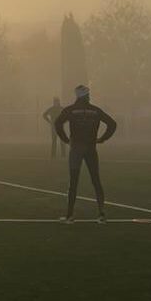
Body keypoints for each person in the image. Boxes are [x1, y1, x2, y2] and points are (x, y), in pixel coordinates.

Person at [53, 84, 117, 224]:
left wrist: (65, 139)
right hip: (91, 149)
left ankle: (69, 216)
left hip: (76, 149)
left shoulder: (70, 110)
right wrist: (103, 138)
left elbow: (57, 124)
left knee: (73, 182)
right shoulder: (95, 110)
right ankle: (101, 214)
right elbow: (112, 124)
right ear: (86, 95)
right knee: (96, 180)